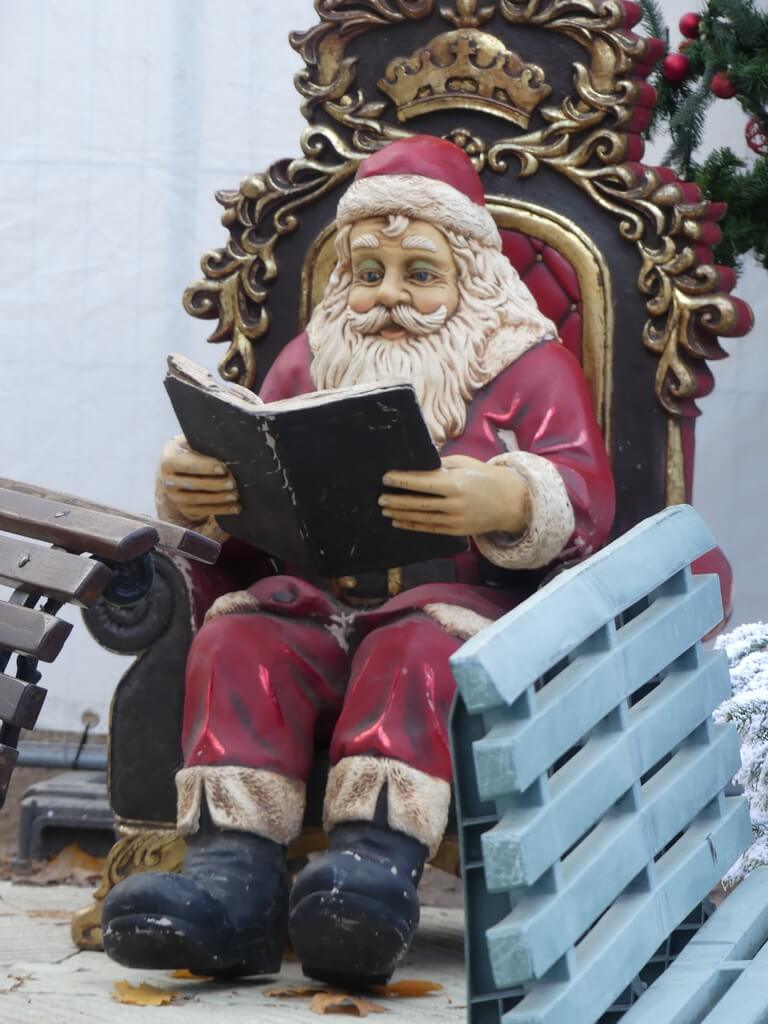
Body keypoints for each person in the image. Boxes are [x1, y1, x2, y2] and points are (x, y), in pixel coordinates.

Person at [102, 135, 615, 987]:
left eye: (418, 273)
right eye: (368, 272)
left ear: (473, 277)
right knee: (240, 645)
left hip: (452, 611)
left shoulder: (532, 369)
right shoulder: (308, 361)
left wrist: (513, 498)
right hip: (315, 604)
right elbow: (258, 503)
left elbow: (587, 496)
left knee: (414, 651)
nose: (388, 299)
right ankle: (232, 886)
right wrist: (201, 491)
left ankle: (368, 877)